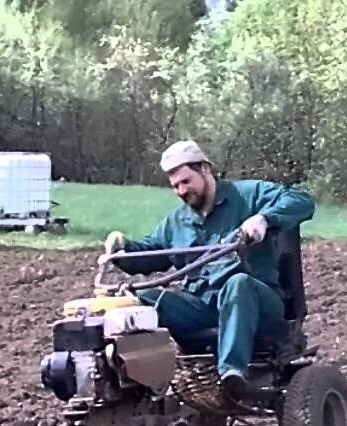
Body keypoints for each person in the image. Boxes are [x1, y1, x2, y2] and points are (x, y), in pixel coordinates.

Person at [104, 140, 315, 405]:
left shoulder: (248, 195)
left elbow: (301, 201)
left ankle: (232, 375)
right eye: (175, 187)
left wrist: (264, 219)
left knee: (238, 283)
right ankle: (133, 384)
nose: (181, 191)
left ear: (205, 169)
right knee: (140, 301)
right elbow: (148, 255)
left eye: (186, 181)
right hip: (202, 306)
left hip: (259, 302)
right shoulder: (176, 223)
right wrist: (122, 248)